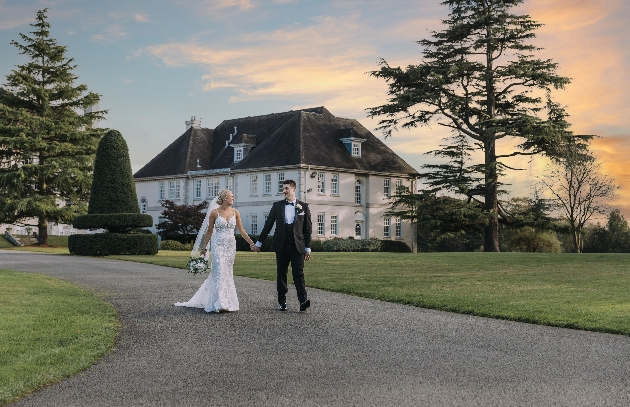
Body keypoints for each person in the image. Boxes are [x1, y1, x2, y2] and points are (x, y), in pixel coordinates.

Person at [175, 189, 258, 313]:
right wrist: (204, 248)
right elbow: (209, 231)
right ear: (225, 198)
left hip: (230, 245)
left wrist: (252, 243)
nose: (233, 199)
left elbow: (241, 231)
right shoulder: (214, 213)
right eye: (232, 196)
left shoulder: (236, 212)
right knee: (219, 270)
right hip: (218, 244)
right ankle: (220, 303)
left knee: (227, 272)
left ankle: (227, 301)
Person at [254, 179, 312, 311]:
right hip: (281, 245)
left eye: (286, 188)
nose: (284, 191)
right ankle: (282, 301)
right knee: (281, 274)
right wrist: (259, 243)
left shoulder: (303, 206)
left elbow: (308, 229)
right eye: (283, 189)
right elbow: (268, 225)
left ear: (294, 189)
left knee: (298, 273)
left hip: (298, 246)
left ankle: (303, 301)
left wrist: (307, 248)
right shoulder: (277, 206)